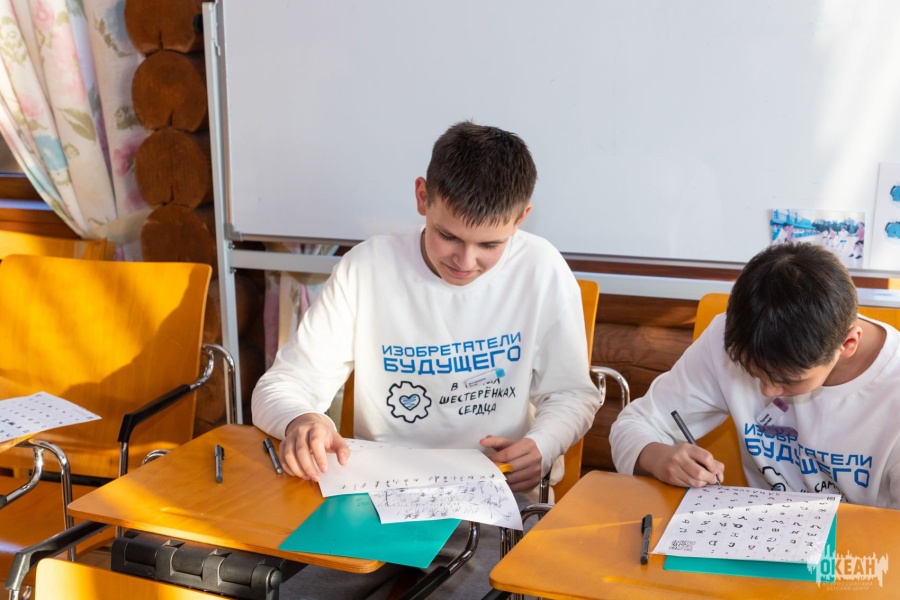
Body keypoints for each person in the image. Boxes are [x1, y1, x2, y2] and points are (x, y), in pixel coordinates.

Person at [252, 121, 599, 598]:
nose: (466, 261)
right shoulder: (367, 268)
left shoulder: (542, 269)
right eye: (448, 236)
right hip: (375, 498)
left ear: (522, 217)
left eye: (490, 245)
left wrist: (543, 443)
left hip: (494, 503)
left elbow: (573, 394)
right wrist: (301, 417)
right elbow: (280, 385)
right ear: (422, 197)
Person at [610, 242, 900, 509]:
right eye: (753, 373)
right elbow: (634, 424)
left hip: (864, 543)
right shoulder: (735, 337)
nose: (767, 391)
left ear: (848, 343)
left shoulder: (892, 388)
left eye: (788, 381)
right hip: (761, 532)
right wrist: (657, 456)